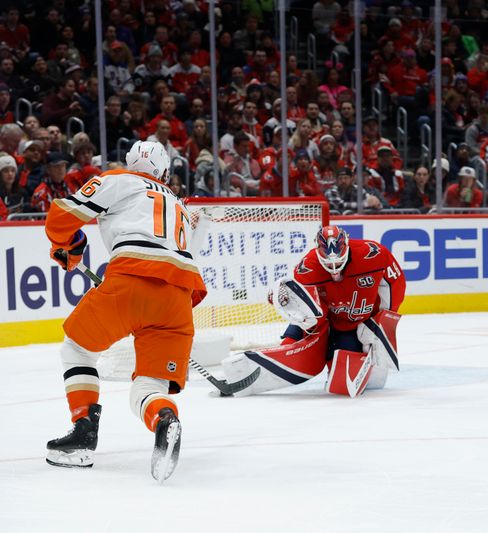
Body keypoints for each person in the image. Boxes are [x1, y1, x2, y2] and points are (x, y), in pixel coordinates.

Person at [43, 140, 206, 481]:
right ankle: (164, 417)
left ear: (130, 163)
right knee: (149, 386)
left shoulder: (119, 178)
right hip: (177, 298)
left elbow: (62, 216)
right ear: (164, 172)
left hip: (132, 280)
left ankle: (83, 434)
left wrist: (65, 246)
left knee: (77, 350)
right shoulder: (177, 202)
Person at [219, 225, 406, 397]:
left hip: (353, 327)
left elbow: (395, 284)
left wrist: (379, 323)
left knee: (341, 381)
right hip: (321, 320)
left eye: (338, 262)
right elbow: (307, 309)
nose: (334, 271)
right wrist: (292, 308)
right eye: (328, 264)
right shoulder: (306, 268)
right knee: (291, 343)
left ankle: (335, 355)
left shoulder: (373, 254)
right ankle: (263, 363)